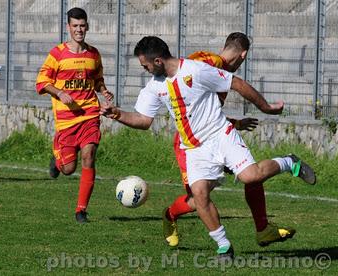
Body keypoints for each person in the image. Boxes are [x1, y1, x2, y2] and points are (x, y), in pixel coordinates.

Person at [100, 36, 316, 259]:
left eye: (145, 65)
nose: (144, 69)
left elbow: (237, 84)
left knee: (251, 177)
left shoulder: (196, 70)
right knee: (199, 196)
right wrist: (116, 114)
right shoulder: (154, 87)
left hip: (220, 134)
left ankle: (290, 162)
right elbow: (143, 120)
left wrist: (267, 107)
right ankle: (224, 246)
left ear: (157, 61)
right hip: (194, 149)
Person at [164, 32, 262, 248]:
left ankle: (263, 229)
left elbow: (205, 114)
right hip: (189, 143)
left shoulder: (219, 71)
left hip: (212, 138)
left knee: (249, 174)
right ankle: (170, 215)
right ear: (243, 55)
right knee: (195, 200)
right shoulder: (210, 62)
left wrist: (235, 124)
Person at [36, 7, 113, 223]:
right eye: (75, 26)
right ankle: (57, 155)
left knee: (89, 155)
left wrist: (104, 90)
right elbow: (42, 82)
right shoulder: (57, 54)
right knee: (68, 169)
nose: (79, 30)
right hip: (66, 119)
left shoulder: (93, 54)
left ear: (87, 26)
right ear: (68, 27)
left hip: (89, 113)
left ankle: (81, 210)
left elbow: (97, 79)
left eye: (82, 25)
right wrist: (60, 93)